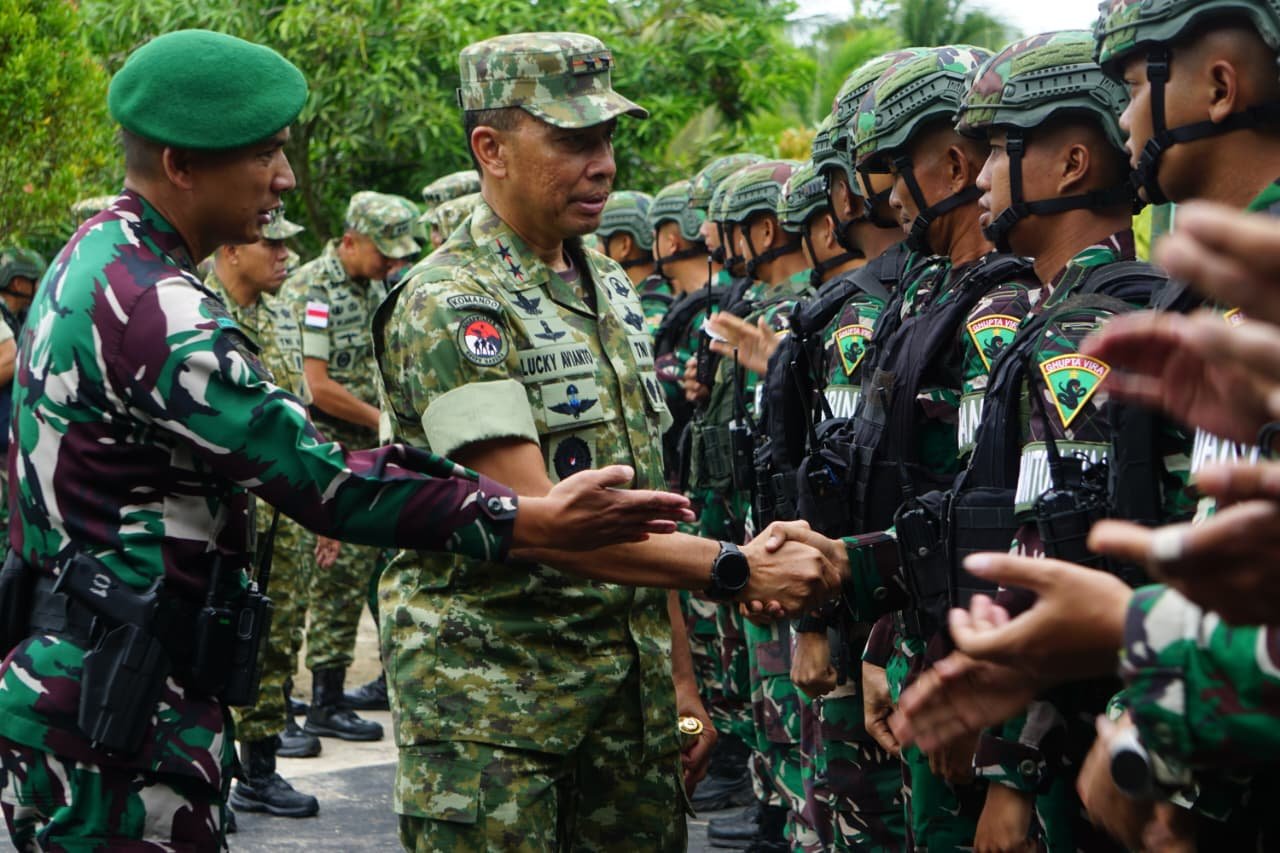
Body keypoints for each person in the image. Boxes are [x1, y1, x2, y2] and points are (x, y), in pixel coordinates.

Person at [0, 29, 698, 851]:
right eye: (264, 155)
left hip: (101, 684)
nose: (285, 179)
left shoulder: (100, 257)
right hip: (114, 709)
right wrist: (522, 516)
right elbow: (322, 476)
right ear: (181, 165)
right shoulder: (152, 303)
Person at [371, 31, 842, 851]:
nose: (603, 165)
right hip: (496, 718)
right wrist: (735, 567)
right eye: (573, 140)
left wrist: (681, 684)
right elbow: (546, 524)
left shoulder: (610, 284)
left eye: (607, 138)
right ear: (490, 149)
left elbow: (643, 505)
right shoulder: (448, 300)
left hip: (626, 709)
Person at [204, 208, 325, 820]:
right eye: (270, 244)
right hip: (217, 515)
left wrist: (319, 511)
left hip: (283, 512)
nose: (285, 256)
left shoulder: (280, 314)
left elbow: (300, 412)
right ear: (231, 250)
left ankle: (258, 771)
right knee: (209, 642)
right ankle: (210, 777)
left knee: (274, 641)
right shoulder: (197, 310)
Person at [287, 189, 420, 733]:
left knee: (366, 573)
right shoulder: (314, 290)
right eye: (383, 251)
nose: (392, 262)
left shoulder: (374, 288)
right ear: (349, 241)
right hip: (326, 450)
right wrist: (379, 419)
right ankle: (324, 702)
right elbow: (316, 387)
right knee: (334, 580)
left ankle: (333, 696)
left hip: (369, 452)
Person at [0, 248, 43, 535]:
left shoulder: (18, 316)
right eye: (33, 280)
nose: (38, 286)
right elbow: (8, 359)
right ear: (18, 282)